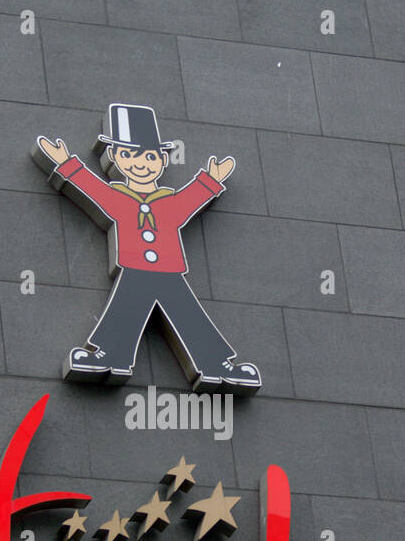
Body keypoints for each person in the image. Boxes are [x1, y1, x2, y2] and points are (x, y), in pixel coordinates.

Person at [32, 103, 261, 393]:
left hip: (169, 271)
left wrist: (210, 180)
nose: (140, 162)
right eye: (128, 154)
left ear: (163, 161)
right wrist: (66, 163)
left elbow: (189, 202)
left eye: (150, 156)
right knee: (125, 310)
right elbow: (93, 190)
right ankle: (110, 357)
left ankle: (217, 365)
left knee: (188, 317)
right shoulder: (117, 197)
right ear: (114, 157)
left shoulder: (168, 201)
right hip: (135, 269)